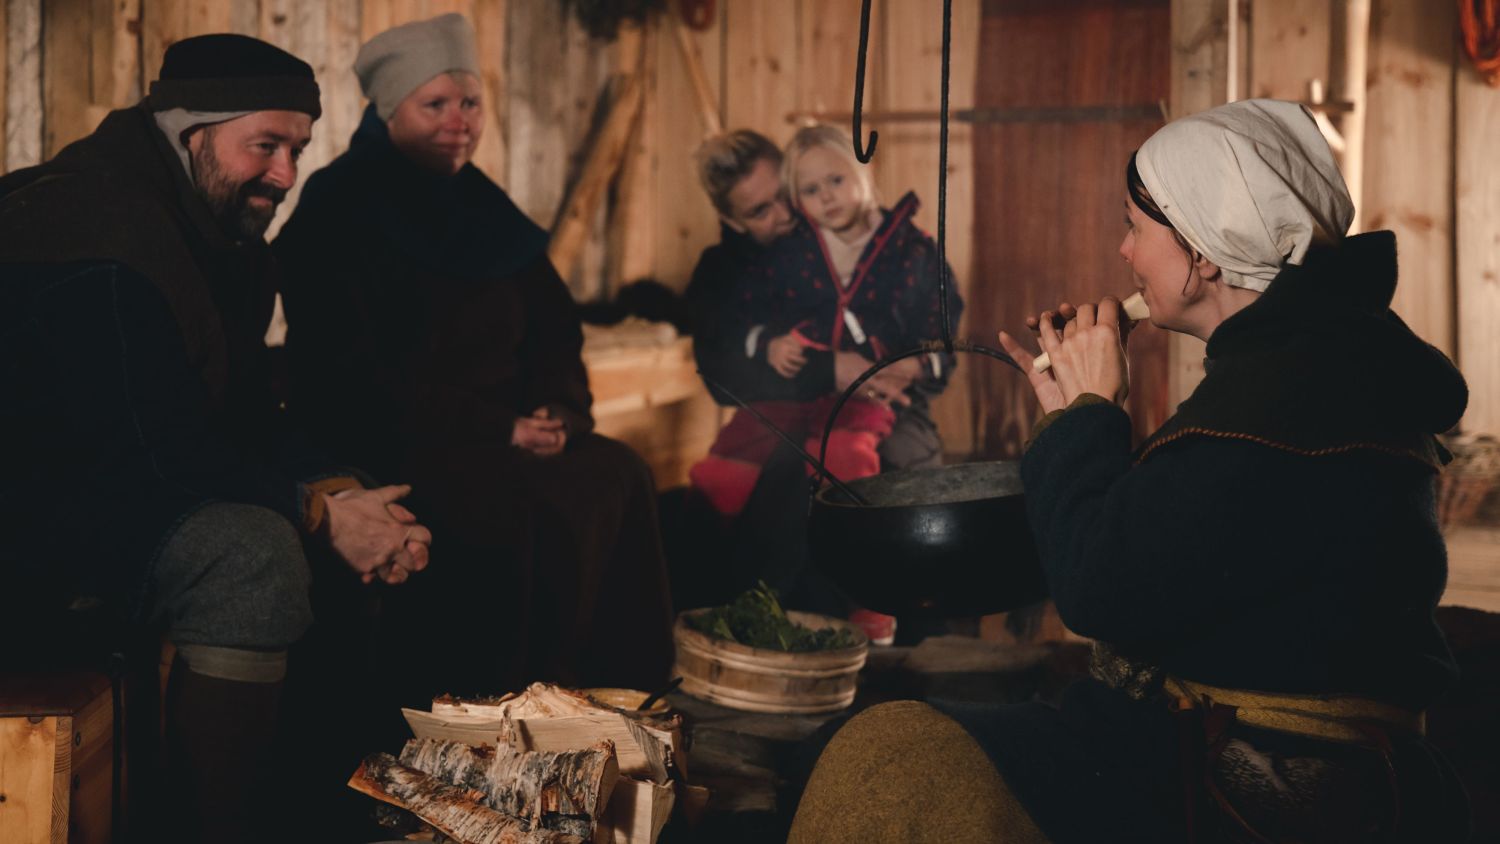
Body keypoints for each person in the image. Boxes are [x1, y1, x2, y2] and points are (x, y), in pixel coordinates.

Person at [788, 100, 1471, 842]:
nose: (1124, 253)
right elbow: (1184, 537)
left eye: (1136, 228)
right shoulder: (1323, 363)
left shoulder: (1271, 404)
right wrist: (1069, 414)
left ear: (1204, 255)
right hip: (1326, 755)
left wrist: (1090, 414)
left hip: (1260, 778)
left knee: (893, 756)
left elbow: (1098, 591)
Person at [0, 35, 431, 841]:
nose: (285, 173)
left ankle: (312, 805)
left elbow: (231, 417)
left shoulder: (214, 234)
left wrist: (337, 490)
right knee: (250, 554)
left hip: (107, 487)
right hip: (28, 514)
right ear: (190, 131)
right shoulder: (93, 227)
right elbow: (149, 453)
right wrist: (316, 515)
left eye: (297, 149)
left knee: (350, 497)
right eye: (263, 146)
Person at [273, 14, 674, 706]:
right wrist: (496, 427)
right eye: (436, 105)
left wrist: (557, 410)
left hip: (508, 431)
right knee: (503, 516)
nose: (459, 121)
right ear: (390, 111)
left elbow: (554, 329)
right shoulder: (340, 207)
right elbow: (347, 374)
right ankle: (489, 720)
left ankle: (609, 704)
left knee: (616, 472)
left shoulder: (484, 206)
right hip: (400, 437)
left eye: (471, 103)